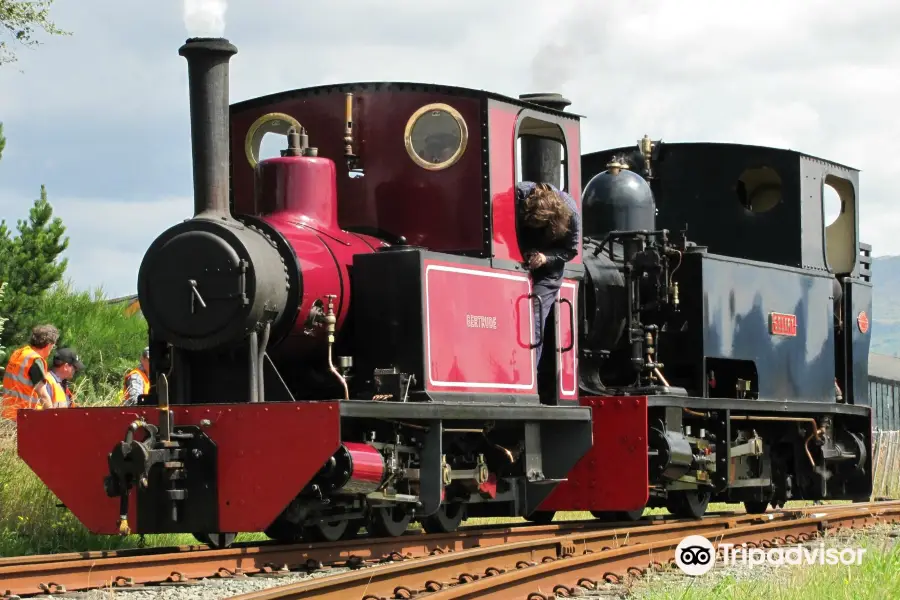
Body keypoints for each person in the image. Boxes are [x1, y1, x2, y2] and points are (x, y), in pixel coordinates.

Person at [515, 181, 580, 366]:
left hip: (548, 273)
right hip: (516, 259)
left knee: (533, 318)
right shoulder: (520, 193)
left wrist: (545, 258)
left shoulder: (571, 213)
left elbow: (571, 250)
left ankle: (530, 375)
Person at [0, 324, 59, 421]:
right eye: (53, 346)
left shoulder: (19, 353)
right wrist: (53, 419)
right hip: (22, 417)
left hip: (7, 414)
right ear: (49, 345)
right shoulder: (35, 360)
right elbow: (43, 395)